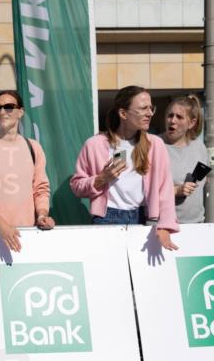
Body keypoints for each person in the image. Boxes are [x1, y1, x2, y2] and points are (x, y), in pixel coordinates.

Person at [70, 85, 179, 250]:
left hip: (144, 217)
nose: (149, 113)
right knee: (109, 273)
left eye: (151, 108)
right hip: (107, 218)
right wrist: (101, 179)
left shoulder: (155, 144)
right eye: (143, 109)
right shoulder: (95, 144)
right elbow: (77, 186)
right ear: (123, 113)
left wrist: (165, 225)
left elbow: (165, 189)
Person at [0, 90, 53, 252]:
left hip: (26, 233)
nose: (2, 112)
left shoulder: (33, 148)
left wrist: (42, 215)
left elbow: (41, 189)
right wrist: (2, 225)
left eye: (8, 107)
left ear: (20, 112)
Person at [161, 95, 209, 225]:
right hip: (164, 225)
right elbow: (146, 190)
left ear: (191, 123)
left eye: (179, 117)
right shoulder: (155, 145)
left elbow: (202, 184)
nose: (172, 121)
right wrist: (176, 190)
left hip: (196, 224)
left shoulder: (199, 147)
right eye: (170, 115)